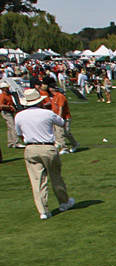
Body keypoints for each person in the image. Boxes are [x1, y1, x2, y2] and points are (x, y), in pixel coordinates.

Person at [14, 88, 74, 220]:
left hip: (30, 148)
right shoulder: (46, 113)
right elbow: (61, 122)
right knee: (56, 176)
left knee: (37, 180)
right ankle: (63, 203)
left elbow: (19, 134)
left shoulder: (19, 115)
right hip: (47, 147)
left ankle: (43, 210)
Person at [48, 84, 77, 153]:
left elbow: (61, 107)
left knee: (66, 133)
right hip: (57, 117)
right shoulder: (54, 97)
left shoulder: (60, 96)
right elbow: (54, 108)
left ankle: (75, 144)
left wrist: (59, 118)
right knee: (59, 133)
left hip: (65, 117)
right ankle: (64, 147)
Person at [1, 81, 23, 149]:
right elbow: (1, 105)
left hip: (10, 111)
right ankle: (16, 142)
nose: (8, 89)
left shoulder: (9, 95)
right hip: (6, 112)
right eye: (7, 88)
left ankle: (10, 142)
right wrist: (9, 107)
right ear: (3, 89)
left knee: (9, 127)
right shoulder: (2, 96)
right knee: (13, 127)